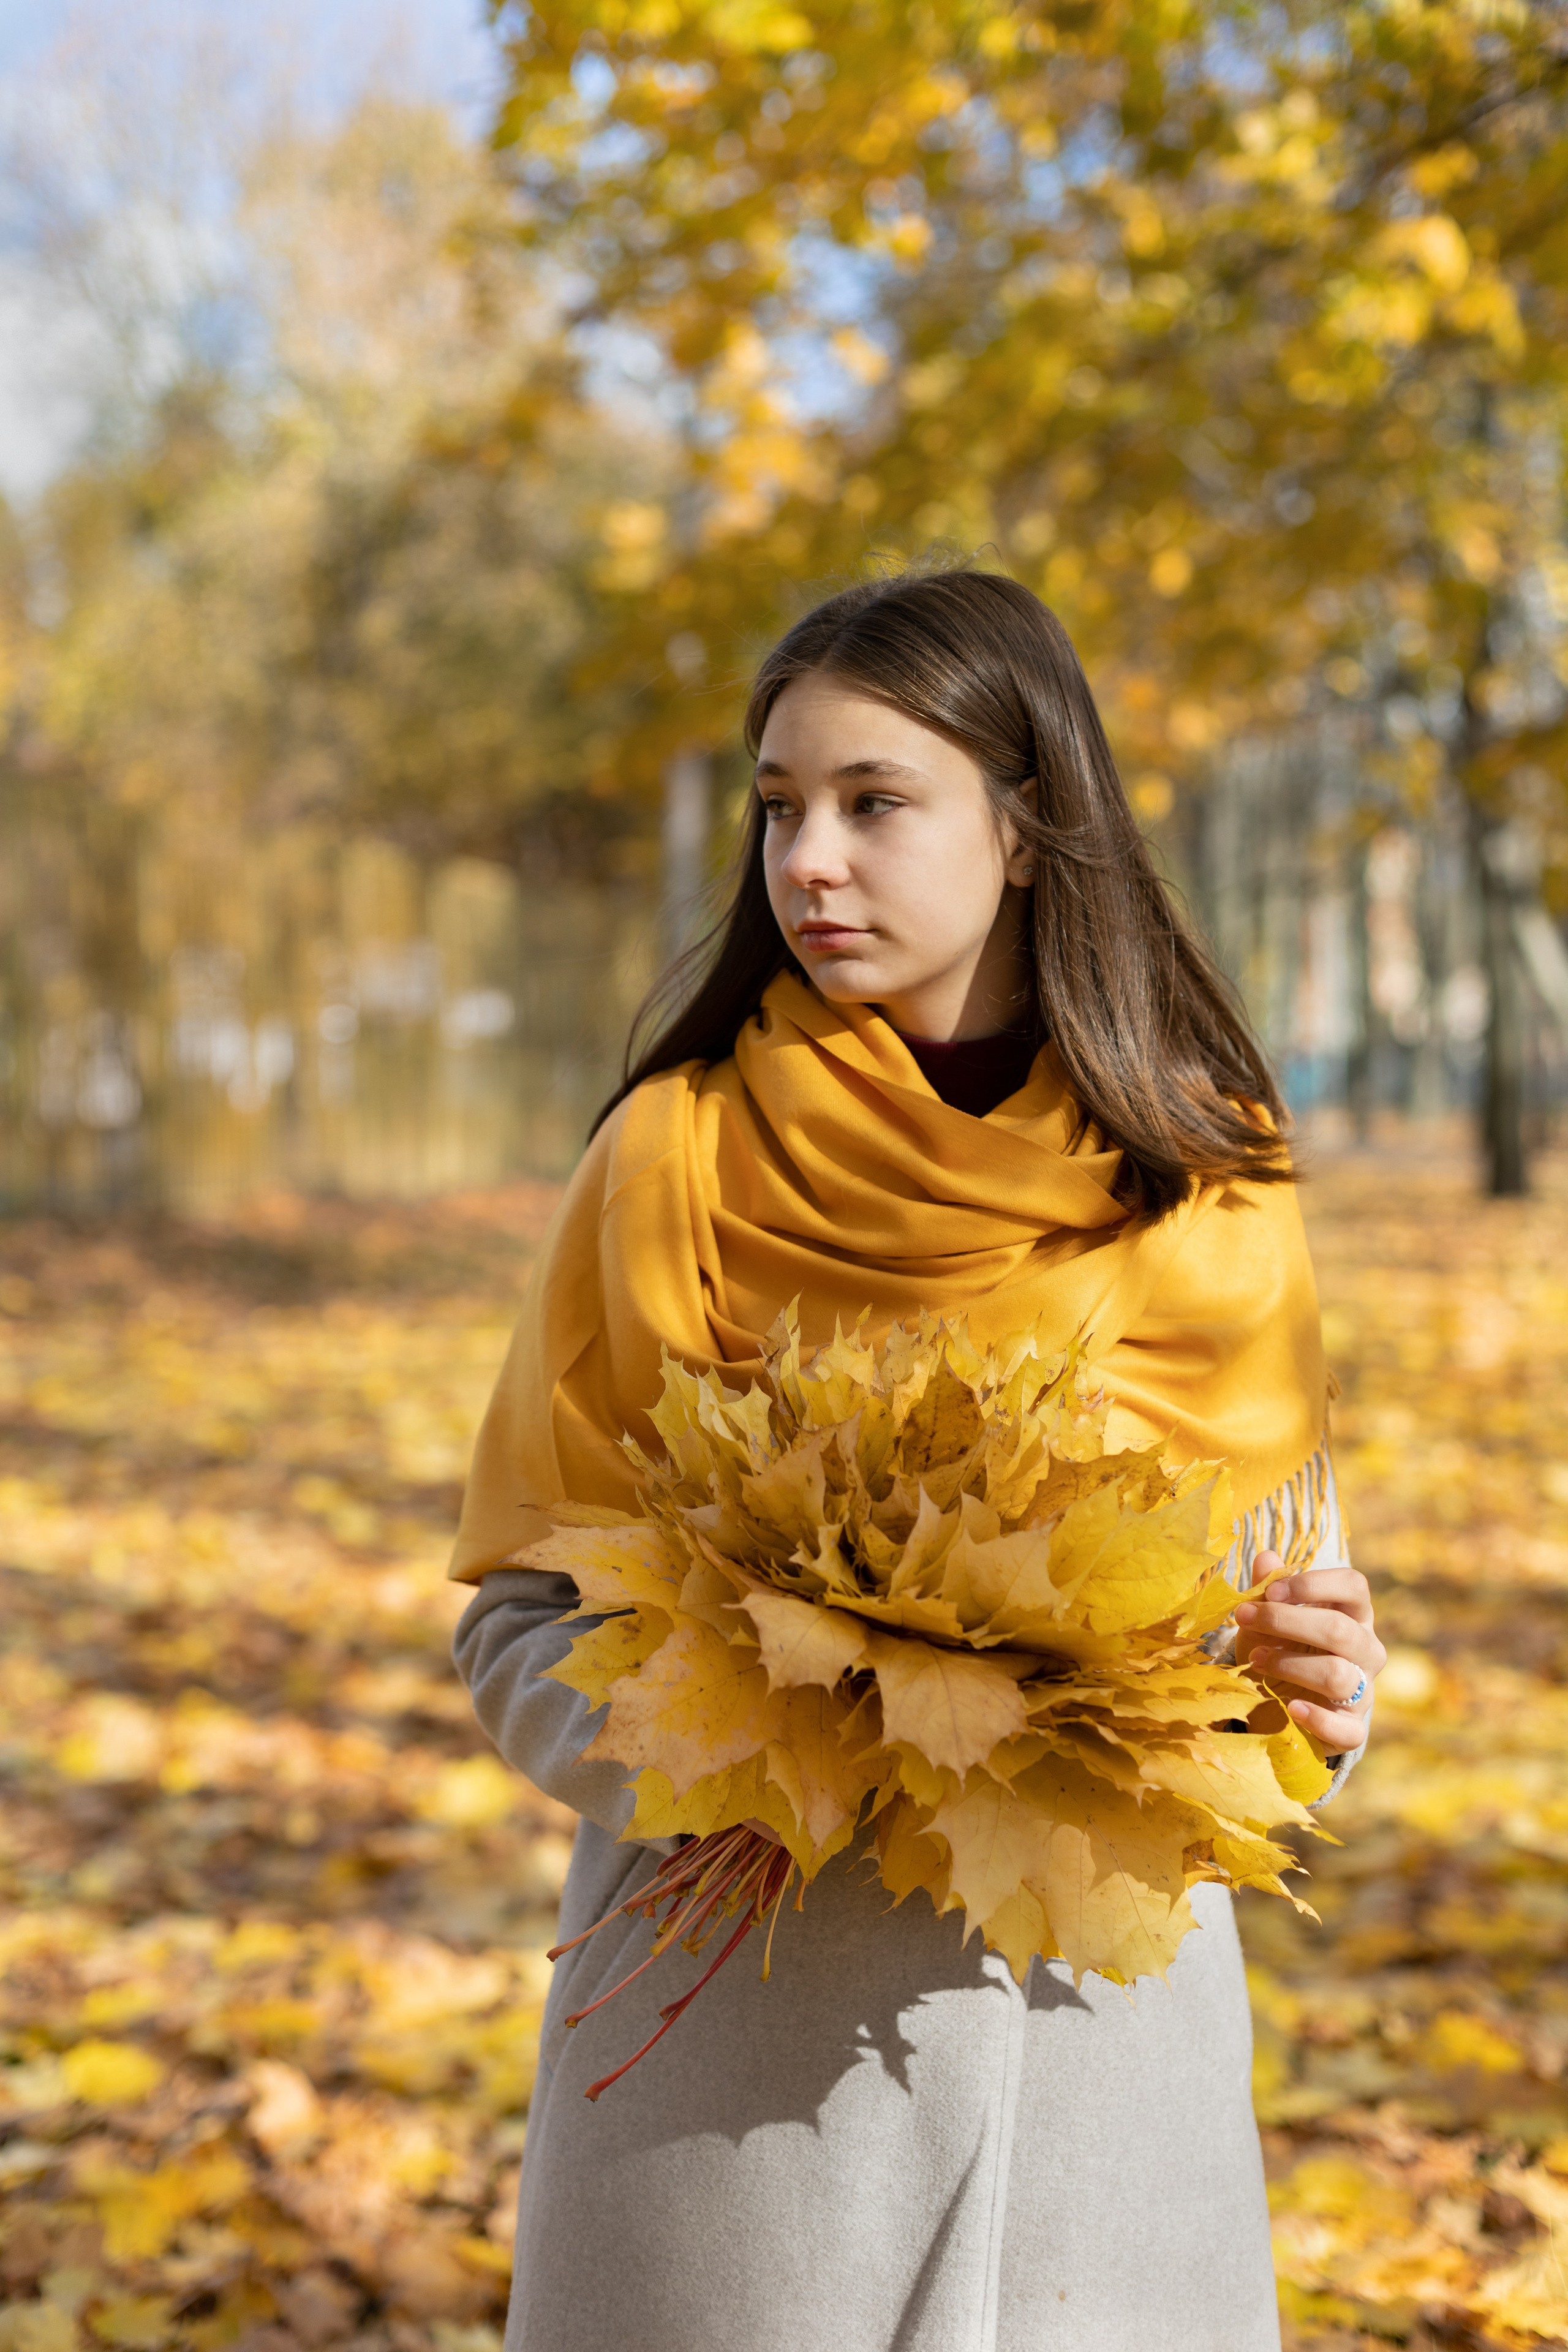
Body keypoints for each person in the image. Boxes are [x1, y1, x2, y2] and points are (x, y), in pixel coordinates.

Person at [449, 561, 1385, 2352]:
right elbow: (521, 1626)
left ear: (1029, 829)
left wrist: (1326, 1704)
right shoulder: (677, 1158)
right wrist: (801, 1731)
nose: (809, 861)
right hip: (730, 2098)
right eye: (782, 806)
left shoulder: (1206, 1184)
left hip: (1107, 2107)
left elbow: (1271, 1656)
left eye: (877, 804)